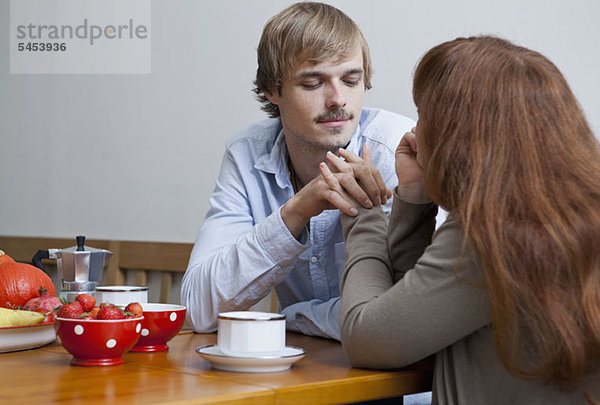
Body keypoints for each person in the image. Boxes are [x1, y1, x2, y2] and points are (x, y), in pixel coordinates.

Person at [320, 36, 600, 403]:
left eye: (423, 115)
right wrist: (415, 197)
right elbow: (413, 323)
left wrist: (363, 214)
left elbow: (366, 338)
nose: (416, 132)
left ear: (459, 135)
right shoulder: (568, 215)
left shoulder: (495, 234)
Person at [180, 2, 414, 340]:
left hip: (404, 384)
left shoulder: (394, 150)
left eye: (351, 80)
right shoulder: (246, 154)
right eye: (312, 83)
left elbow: (398, 315)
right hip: (302, 375)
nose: (338, 99)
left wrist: (292, 318)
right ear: (272, 90)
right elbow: (197, 310)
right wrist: (295, 212)